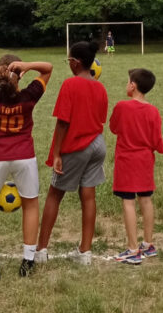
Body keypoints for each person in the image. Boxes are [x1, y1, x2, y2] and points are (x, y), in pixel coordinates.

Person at [0, 54, 53, 279]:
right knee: (31, 204)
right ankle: (29, 259)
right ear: (20, 76)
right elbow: (48, 68)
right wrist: (27, 65)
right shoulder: (29, 95)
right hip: (24, 155)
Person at [35, 41, 108, 265]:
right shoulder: (100, 87)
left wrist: (57, 153)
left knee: (54, 194)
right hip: (97, 144)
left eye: (69, 61)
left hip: (76, 146)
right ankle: (85, 252)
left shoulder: (70, 84)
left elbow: (63, 122)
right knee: (88, 197)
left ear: (76, 63)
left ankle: (41, 250)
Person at [109, 68, 163, 265]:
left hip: (126, 160)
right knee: (146, 200)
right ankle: (148, 244)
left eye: (128, 82)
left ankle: (133, 249)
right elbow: (157, 142)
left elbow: (113, 127)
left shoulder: (122, 107)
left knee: (128, 202)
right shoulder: (153, 111)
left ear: (133, 86)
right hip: (145, 160)